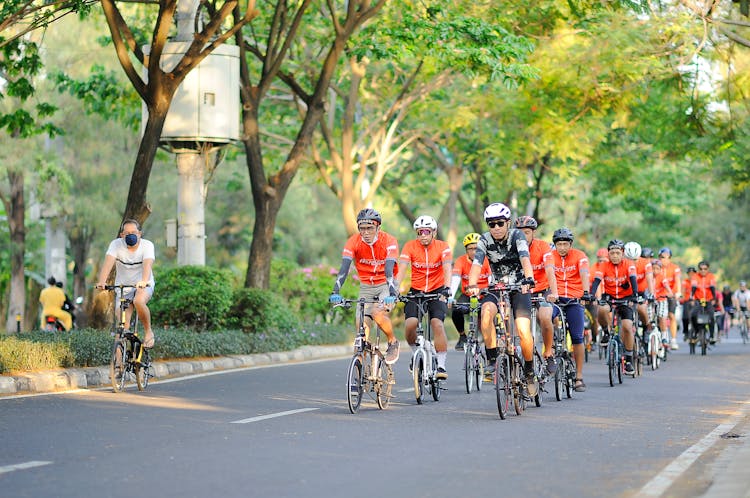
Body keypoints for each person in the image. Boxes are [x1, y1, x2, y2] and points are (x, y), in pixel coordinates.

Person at [466, 203, 537, 395]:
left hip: (519, 286)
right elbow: (477, 265)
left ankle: (529, 370)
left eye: (499, 223)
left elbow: (525, 259)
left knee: (523, 330)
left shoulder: (518, 236)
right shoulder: (485, 240)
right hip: (497, 286)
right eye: (491, 224)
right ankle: (491, 358)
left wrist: (529, 279)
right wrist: (472, 285)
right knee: (486, 312)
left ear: (507, 223)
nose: (496, 228)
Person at [329, 209, 401, 364]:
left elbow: (389, 269)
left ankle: (392, 341)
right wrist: (335, 291)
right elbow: (344, 269)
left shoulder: (389, 241)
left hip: (386, 284)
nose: (366, 232)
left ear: (378, 228)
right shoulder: (353, 242)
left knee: (377, 313)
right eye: (362, 228)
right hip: (366, 285)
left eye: (370, 228)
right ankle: (358, 377)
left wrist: (392, 293)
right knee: (361, 333)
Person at [396, 215, 452, 379]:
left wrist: (447, 289)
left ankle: (441, 365)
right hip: (417, 291)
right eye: (419, 232)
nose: (423, 235)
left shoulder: (443, 247)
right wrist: (395, 289)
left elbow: (447, 268)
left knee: (437, 324)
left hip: (438, 290)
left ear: (433, 232)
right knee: (410, 325)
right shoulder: (410, 246)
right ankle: (415, 353)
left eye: (426, 231)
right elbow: (402, 269)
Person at [96, 219, 156, 351]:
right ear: (122, 235)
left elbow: (147, 264)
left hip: (143, 284)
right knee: (122, 326)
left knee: (139, 301)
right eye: (127, 233)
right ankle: (118, 365)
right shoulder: (116, 245)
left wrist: (144, 281)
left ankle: (148, 332)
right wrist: (102, 282)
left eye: (134, 232)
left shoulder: (147, 245)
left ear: (140, 233)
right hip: (124, 287)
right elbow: (108, 263)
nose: (130, 235)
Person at [515, 215, 558, 376]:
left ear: (533, 233)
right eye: (519, 233)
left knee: (545, 317)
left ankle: (548, 353)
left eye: (526, 232)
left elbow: (549, 270)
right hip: (521, 291)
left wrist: (554, 292)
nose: (523, 236)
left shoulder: (544, 247)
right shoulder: (512, 248)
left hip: (542, 290)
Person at [550, 227, 591, 392]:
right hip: (556, 298)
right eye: (559, 244)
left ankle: (579, 376)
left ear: (570, 244)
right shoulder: (550, 257)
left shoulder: (579, 256)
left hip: (574, 299)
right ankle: (552, 348)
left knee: (577, 337)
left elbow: (584, 273)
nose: (562, 247)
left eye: (565, 244)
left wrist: (586, 293)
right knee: (546, 317)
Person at [590, 239, 639, 375]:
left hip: (626, 299)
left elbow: (633, 279)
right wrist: (591, 295)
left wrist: (635, 295)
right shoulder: (604, 266)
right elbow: (597, 281)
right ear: (608, 254)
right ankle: (606, 332)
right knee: (602, 309)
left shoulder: (629, 265)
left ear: (623, 253)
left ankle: (628, 359)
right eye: (612, 253)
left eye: (618, 253)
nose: (615, 256)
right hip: (610, 297)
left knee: (628, 327)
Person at [449, 233, 492, 351]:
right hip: (468, 294)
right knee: (456, 309)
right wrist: (450, 296)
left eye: (476, 248)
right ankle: (462, 336)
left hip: (485, 294)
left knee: (489, 312)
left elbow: (491, 279)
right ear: (466, 250)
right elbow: (456, 278)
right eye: (470, 248)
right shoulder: (461, 261)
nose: (473, 251)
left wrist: (489, 291)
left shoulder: (487, 260)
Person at [658, 247, 681, 350]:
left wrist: (678, 292)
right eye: (662, 257)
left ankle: (673, 340)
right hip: (658, 295)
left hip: (671, 295)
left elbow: (677, 281)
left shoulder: (675, 268)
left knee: (671, 315)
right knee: (658, 316)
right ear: (659, 258)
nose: (665, 260)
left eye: (668, 257)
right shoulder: (656, 267)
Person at [690, 260, 718, 344]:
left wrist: (714, 299)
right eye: (701, 269)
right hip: (699, 300)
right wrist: (691, 298)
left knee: (711, 316)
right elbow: (694, 288)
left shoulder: (711, 276)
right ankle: (695, 331)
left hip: (708, 300)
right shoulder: (695, 276)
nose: (703, 271)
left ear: (708, 269)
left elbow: (713, 288)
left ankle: (712, 336)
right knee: (693, 315)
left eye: (705, 269)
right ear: (699, 269)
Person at [680, 266, 697, 341]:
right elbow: (682, 291)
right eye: (690, 274)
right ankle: (686, 332)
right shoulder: (685, 282)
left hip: (697, 301)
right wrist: (681, 298)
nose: (691, 275)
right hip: (687, 301)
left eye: (693, 274)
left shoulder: (698, 281)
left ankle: (700, 331)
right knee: (685, 316)